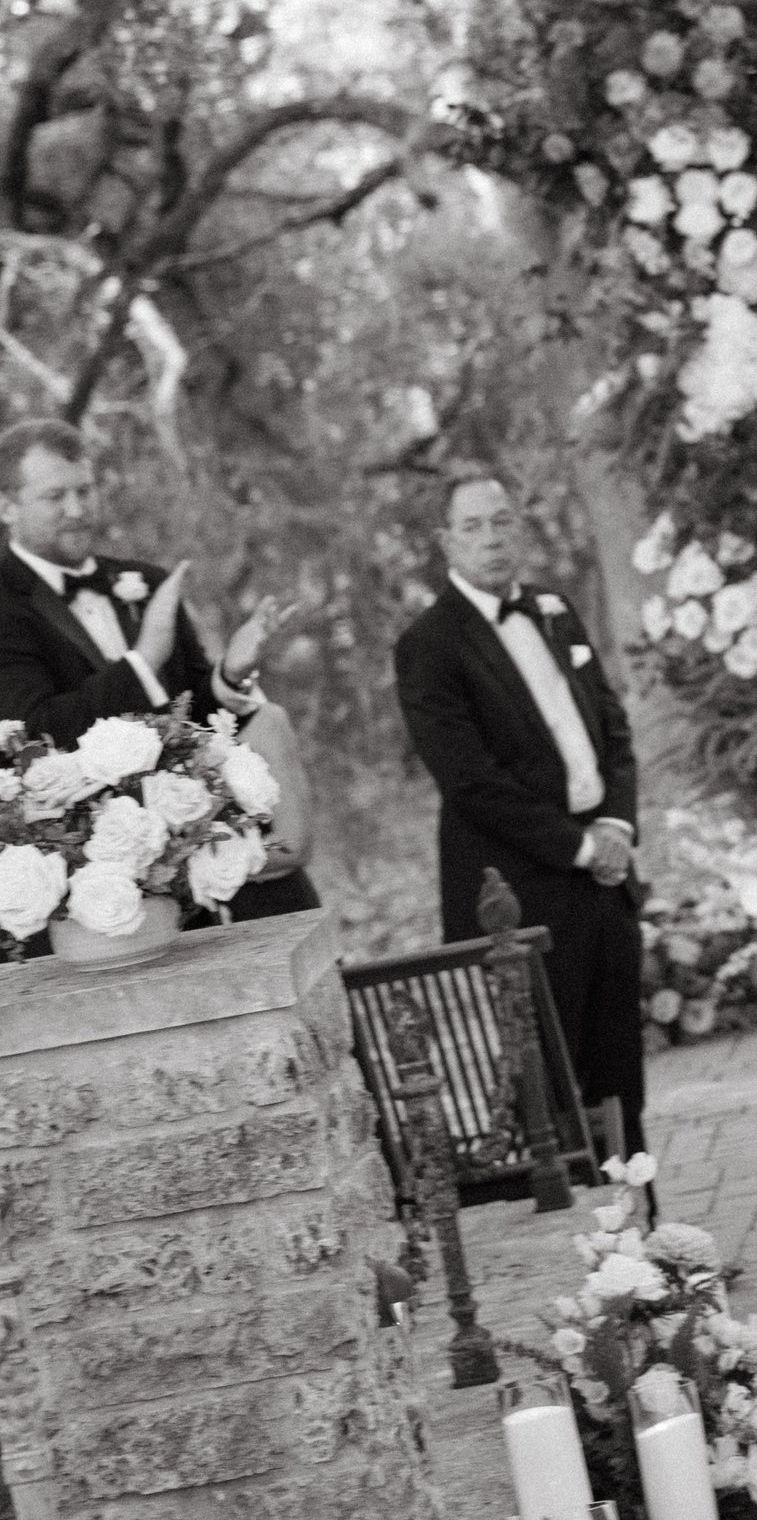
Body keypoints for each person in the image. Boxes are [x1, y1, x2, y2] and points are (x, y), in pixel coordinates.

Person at [392, 473, 645, 1150]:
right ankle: (591, 1246)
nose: (492, 538)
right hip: (521, 891)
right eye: (472, 526)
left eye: (502, 521)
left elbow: (611, 729)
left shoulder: (554, 609)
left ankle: (645, 1241)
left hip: (607, 877)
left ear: (520, 528)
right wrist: (582, 847)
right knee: (555, 1094)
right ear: (446, 541)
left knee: (623, 1075)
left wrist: (616, 826)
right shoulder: (430, 644)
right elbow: (471, 782)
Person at [0, 417, 318, 916]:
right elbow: (37, 736)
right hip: (98, 897)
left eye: (85, 490)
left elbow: (193, 710)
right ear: (6, 505)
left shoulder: (145, 583)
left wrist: (230, 674)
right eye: (55, 496)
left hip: (208, 863)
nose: (78, 510)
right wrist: (141, 663)